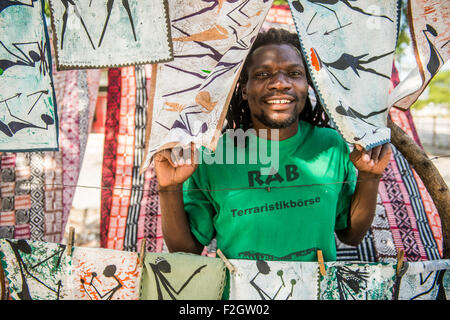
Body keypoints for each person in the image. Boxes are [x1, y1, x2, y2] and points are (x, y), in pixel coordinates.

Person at [154, 28, 391, 263]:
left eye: (294, 73)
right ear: (244, 89)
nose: (280, 83)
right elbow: (185, 251)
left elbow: (352, 234)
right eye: (263, 74)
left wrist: (369, 176)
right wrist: (168, 188)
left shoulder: (330, 146)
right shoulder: (215, 155)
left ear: (308, 85)